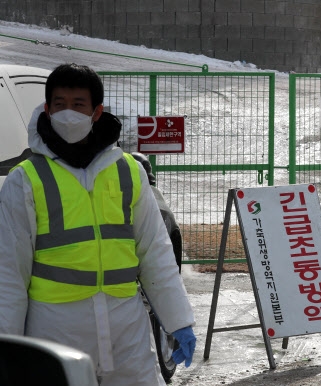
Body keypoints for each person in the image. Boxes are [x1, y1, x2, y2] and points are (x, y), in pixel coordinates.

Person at [0, 63, 196, 385]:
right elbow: (8, 273)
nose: (68, 113)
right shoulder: (26, 179)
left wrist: (178, 320)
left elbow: (154, 251)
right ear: (46, 109)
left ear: (96, 111)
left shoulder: (128, 171)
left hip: (126, 328)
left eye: (78, 104)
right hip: (55, 328)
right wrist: (8, 348)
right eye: (59, 104)